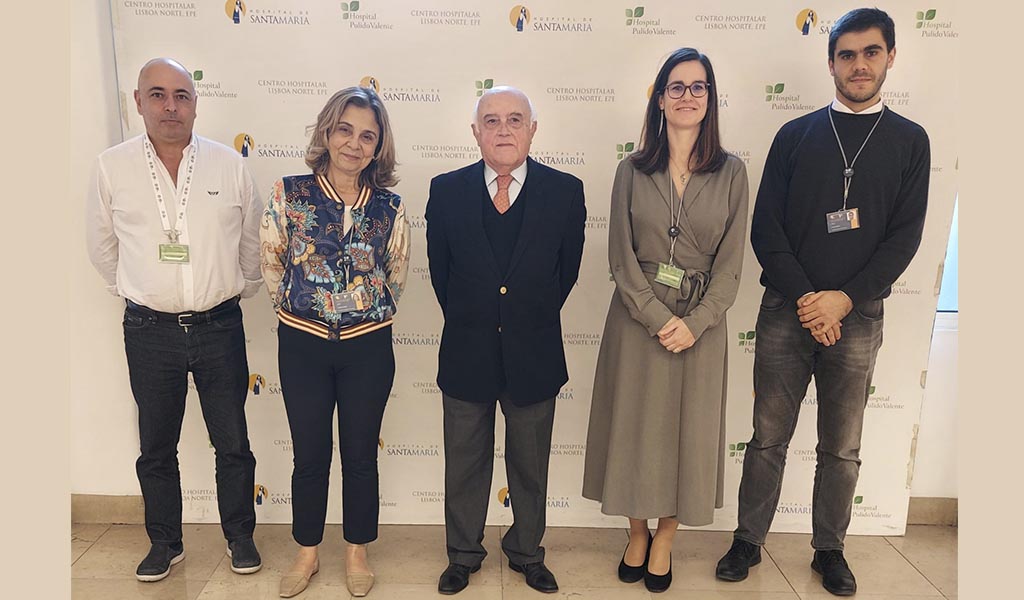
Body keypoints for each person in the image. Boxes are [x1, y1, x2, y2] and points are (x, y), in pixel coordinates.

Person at [715, 8, 930, 597]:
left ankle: (829, 550)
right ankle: (748, 540)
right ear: (830, 62)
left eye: (871, 52)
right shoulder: (795, 135)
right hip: (787, 310)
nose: (859, 65)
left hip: (858, 316)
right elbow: (767, 230)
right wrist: (810, 299)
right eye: (847, 54)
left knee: (842, 446)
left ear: (890, 57)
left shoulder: (911, 141)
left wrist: (843, 300)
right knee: (767, 436)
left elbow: (904, 238)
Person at [85, 57, 263, 582]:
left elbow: (251, 243)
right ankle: (165, 542)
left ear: (195, 104)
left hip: (219, 327)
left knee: (232, 442)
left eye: (181, 95)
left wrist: (233, 291)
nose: (170, 106)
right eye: (158, 94)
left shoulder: (228, 165)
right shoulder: (112, 168)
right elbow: (102, 246)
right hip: (149, 331)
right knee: (156, 447)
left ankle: (240, 536)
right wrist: (141, 291)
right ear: (138, 102)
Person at [582, 47, 749, 593]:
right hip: (637, 320)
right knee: (633, 427)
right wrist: (656, 317)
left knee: (687, 435)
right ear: (659, 98)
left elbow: (731, 268)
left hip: (701, 327)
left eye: (698, 87)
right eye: (676, 86)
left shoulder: (733, 172)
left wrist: (696, 323)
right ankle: (636, 532)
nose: (687, 96)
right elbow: (620, 257)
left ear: (711, 98)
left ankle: (666, 539)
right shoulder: (631, 169)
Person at [425, 86, 586, 595]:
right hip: (466, 352)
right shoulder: (445, 190)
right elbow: (441, 274)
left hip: (534, 354)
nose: (503, 129)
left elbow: (565, 274)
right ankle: (462, 554)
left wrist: (521, 318)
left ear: (532, 130)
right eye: (491, 121)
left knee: (530, 466)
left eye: (515, 119)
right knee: (464, 464)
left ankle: (527, 552)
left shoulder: (565, 191)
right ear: (475, 132)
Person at [259, 86, 410, 598]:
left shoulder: (389, 206)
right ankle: (307, 551)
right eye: (345, 130)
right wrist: (307, 307)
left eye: (367, 136)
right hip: (303, 344)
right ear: (327, 132)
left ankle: (356, 551)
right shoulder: (290, 193)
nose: (354, 143)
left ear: (378, 147)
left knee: (361, 454)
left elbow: (396, 274)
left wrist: (360, 309)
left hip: (368, 346)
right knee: (309, 454)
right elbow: (273, 261)